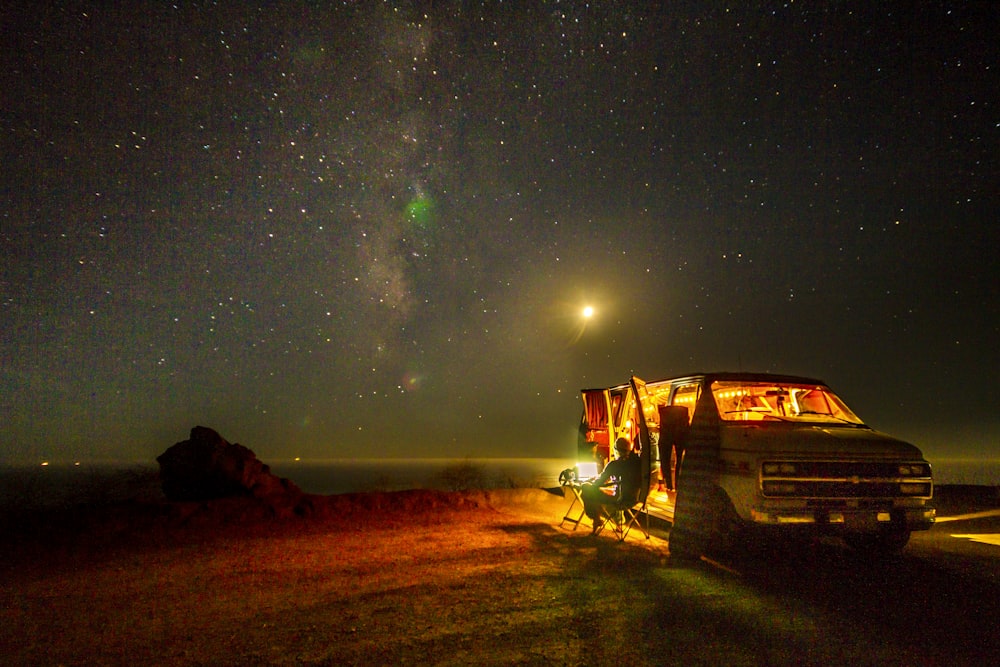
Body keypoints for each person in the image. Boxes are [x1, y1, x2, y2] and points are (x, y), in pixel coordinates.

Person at [581, 437, 642, 535]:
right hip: (634, 499)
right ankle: (619, 522)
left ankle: (596, 518)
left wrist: (592, 481)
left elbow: (599, 483)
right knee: (614, 489)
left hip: (619, 500)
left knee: (586, 488)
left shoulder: (614, 465)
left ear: (616, 450)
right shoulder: (638, 463)